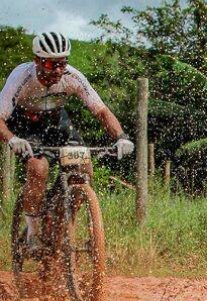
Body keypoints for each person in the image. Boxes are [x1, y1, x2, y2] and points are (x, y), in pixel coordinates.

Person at [0, 32, 134, 249]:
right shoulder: (21, 77)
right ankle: (33, 231)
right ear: (37, 61)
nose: (59, 70)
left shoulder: (73, 76)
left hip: (57, 125)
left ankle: (62, 223)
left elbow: (101, 111)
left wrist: (121, 137)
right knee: (38, 168)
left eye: (63, 63)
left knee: (84, 170)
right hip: (26, 126)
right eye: (52, 65)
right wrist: (13, 139)